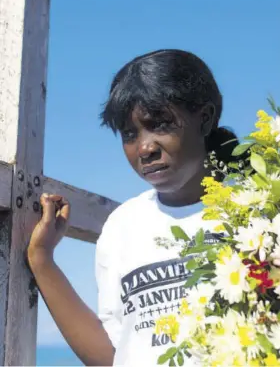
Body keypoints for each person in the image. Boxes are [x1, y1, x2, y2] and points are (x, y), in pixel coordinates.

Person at [27, 49, 240, 366]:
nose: (145, 147)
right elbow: (112, 356)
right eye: (129, 134)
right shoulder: (122, 226)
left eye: (161, 124)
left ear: (205, 119)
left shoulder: (259, 215)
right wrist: (41, 260)